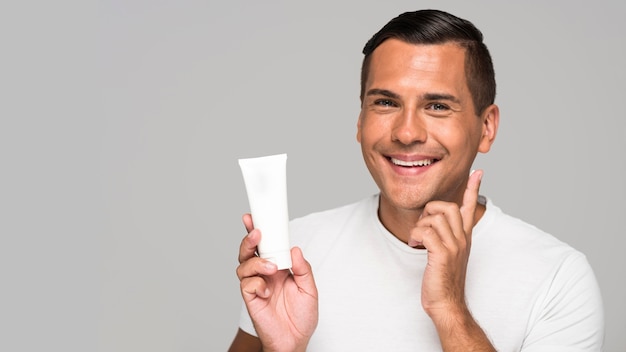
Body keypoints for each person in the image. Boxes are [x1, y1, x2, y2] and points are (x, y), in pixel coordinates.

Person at [229, 9, 604, 352]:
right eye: (386, 103)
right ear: (360, 121)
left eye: (438, 106)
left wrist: (450, 310)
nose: (407, 133)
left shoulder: (558, 279)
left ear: (486, 127)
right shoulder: (293, 253)